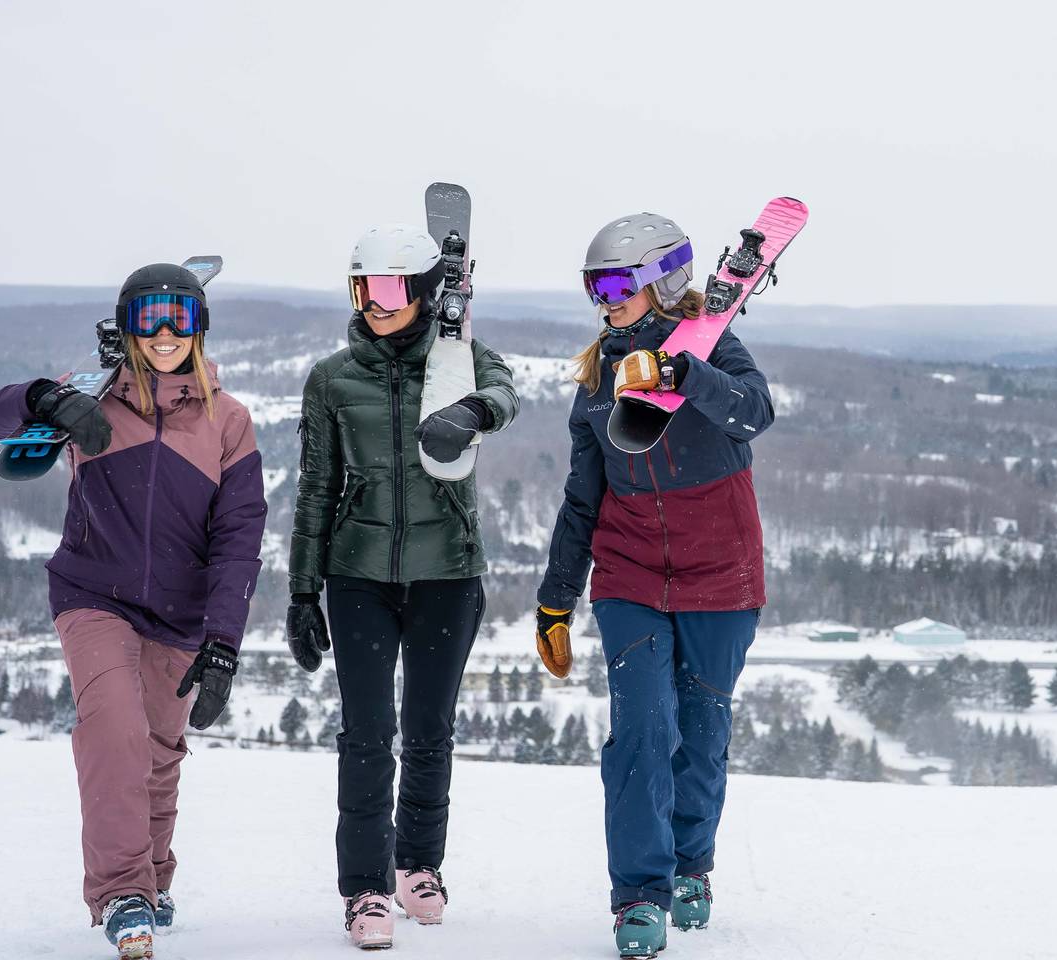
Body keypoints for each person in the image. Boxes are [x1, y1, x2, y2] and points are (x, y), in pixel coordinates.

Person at [0, 263, 266, 960]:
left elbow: (239, 539)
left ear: (200, 328)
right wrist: (43, 398)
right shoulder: (93, 397)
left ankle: (153, 881)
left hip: (181, 614)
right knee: (116, 733)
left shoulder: (229, 421)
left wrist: (223, 639)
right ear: (126, 327)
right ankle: (122, 892)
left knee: (161, 754)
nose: (165, 334)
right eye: (148, 319)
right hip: (92, 596)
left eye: (180, 319)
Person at [537, 212, 774, 959]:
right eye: (592, 286)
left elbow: (755, 413)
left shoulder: (716, 343)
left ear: (658, 281)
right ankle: (640, 895)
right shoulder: (596, 383)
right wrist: (556, 598)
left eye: (614, 284)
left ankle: (690, 863)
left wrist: (686, 375)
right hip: (630, 572)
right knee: (643, 727)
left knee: (702, 733)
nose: (602, 299)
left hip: (721, 571)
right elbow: (583, 500)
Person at [286, 224, 520, 950]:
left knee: (428, 731)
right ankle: (364, 889)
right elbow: (316, 484)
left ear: (422, 291)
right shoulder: (332, 377)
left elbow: (506, 391)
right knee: (366, 735)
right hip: (358, 576)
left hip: (447, 572)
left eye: (390, 288)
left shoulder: (460, 360)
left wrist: (474, 410)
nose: (375, 303)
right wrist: (302, 591)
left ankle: (418, 864)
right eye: (364, 289)